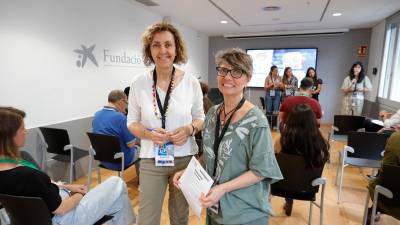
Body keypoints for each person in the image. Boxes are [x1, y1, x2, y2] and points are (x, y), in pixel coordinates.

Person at [174, 48, 282, 225]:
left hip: (245, 211)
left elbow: (260, 171)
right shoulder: (212, 114)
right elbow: (210, 154)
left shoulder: (257, 121)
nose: (228, 77)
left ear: (248, 78)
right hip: (214, 204)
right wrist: (188, 172)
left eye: (236, 71)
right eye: (223, 70)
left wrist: (222, 189)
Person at [0, 107, 135, 225]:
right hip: (65, 217)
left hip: (30, 217)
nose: (26, 131)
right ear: (10, 135)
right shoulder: (27, 175)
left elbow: (40, 188)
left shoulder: (16, 169)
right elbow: (61, 209)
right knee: (117, 183)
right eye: (22, 128)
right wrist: (79, 194)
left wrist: (67, 187)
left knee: (116, 202)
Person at [127, 22, 205, 225]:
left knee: (180, 217)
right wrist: (149, 134)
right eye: (156, 45)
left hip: (184, 158)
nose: (163, 51)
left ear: (176, 48)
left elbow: (200, 118)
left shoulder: (191, 82)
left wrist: (189, 129)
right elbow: (132, 122)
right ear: (149, 49)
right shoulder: (138, 83)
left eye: (168, 45)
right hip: (151, 158)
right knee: (147, 218)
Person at [275, 104, 330, 216]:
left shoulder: (281, 140)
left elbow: (274, 162)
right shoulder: (321, 143)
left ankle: (288, 200)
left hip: (281, 186)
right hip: (308, 189)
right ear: (312, 122)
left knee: (288, 171)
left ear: (291, 121)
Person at [92, 90, 138, 171]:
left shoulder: (96, 115)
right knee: (142, 149)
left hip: (103, 159)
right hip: (120, 161)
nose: (126, 106)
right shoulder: (120, 117)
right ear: (121, 101)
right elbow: (131, 144)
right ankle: (141, 180)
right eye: (126, 103)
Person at [367, 131, 400, 224]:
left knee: (379, 180)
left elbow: (385, 168)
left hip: (389, 199)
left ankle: (375, 210)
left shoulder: (396, 137)